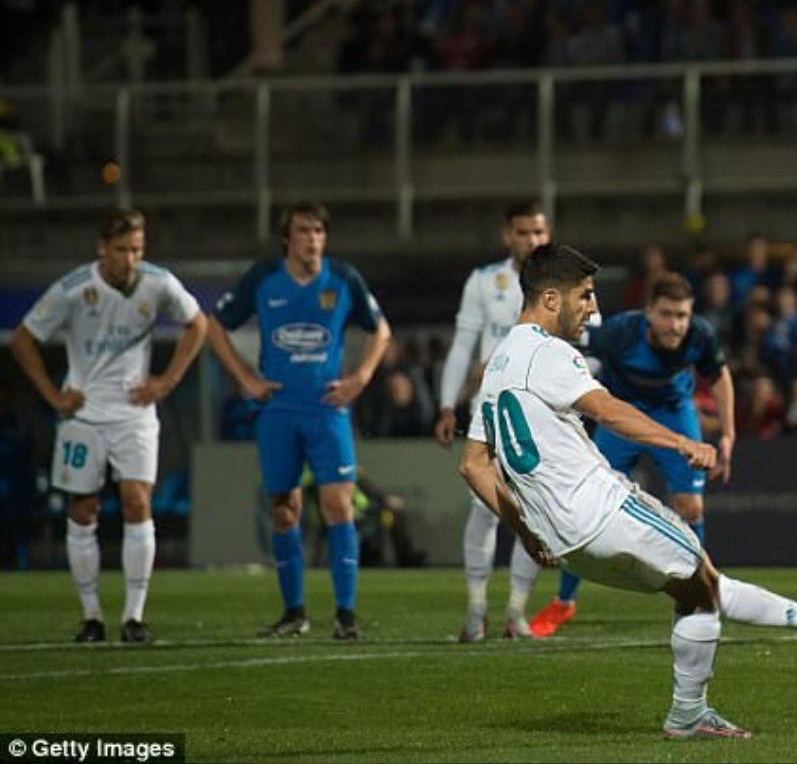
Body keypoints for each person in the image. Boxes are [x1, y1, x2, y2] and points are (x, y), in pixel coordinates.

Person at [459, 243, 797, 739]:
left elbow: (473, 465)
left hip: (563, 542)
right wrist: (681, 441)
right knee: (707, 586)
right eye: (584, 296)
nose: (593, 308)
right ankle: (703, 704)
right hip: (603, 512)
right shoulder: (548, 351)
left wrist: (524, 530)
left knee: (693, 591)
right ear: (548, 298)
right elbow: (609, 411)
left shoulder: (499, 363)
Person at [10, 210, 207, 643]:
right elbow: (22, 339)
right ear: (102, 248)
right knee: (84, 511)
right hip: (83, 416)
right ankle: (92, 616)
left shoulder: (159, 283)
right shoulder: (74, 289)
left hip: (134, 414)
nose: (130, 259)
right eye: (121, 250)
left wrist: (167, 381)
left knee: (138, 503)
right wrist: (53, 395)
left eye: (137, 249)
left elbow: (198, 324)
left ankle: (134, 617)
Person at [208, 202, 391, 640]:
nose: (313, 239)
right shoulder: (263, 278)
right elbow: (214, 326)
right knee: (284, 509)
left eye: (319, 232)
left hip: (328, 408)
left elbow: (380, 330)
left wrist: (360, 378)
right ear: (286, 239)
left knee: (338, 505)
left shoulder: (343, 278)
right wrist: (247, 379)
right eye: (304, 231)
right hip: (278, 410)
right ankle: (294, 613)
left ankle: (345, 616)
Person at [529, 273, 737, 638]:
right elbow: (567, 343)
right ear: (648, 313)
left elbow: (719, 376)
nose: (676, 325)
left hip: (674, 413)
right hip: (621, 417)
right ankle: (564, 602)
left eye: (682, 316)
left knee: (691, 508)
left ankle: (697, 597)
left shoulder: (700, 335)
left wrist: (729, 432)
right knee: (584, 508)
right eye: (667, 314)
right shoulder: (619, 333)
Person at [434, 200, 551, 641]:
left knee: (534, 510)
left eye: (538, 233)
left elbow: (588, 349)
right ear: (508, 236)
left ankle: (517, 612)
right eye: (523, 233)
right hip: (491, 407)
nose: (532, 241)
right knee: (483, 507)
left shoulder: (566, 282)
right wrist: (447, 403)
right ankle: (477, 608)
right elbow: (464, 345)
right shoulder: (485, 281)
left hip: (543, 409)